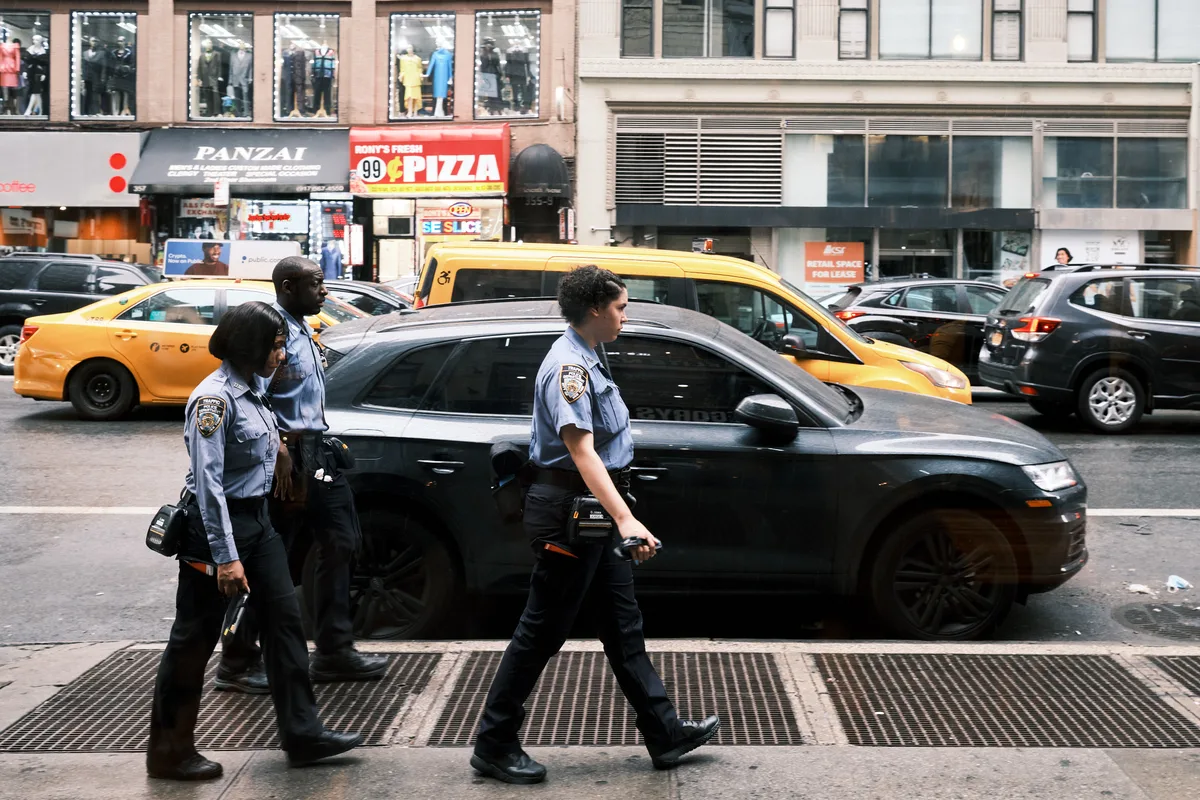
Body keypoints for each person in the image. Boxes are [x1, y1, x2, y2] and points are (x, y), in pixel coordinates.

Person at [470, 265, 719, 785]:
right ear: (594, 311)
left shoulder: (590, 354)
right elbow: (580, 451)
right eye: (621, 307)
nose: (626, 315)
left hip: (588, 512)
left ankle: (665, 731)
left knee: (623, 627)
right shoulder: (568, 368)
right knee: (541, 631)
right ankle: (494, 743)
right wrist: (626, 519)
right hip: (568, 515)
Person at [147, 302, 361, 781]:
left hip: (259, 523)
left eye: (284, 344)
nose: (282, 355)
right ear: (250, 347)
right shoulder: (214, 401)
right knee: (193, 641)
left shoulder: (254, 390)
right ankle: (170, 751)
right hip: (215, 530)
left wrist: (281, 449)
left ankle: (304, 735)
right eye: (276, 346)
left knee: (285, 624)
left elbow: (269, 432)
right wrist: (225, 558)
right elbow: (208, 486)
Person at [216, 257, 387, 693]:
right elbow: (254, 396)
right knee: (277, 560)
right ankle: (236, 660)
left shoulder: (302, 328)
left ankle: (333, 651)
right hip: (287, 461)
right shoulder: (270, 333)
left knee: (342, 542)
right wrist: (279, 453)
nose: (325, 292)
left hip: (317, 453)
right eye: (316, 284)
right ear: (289, 286)